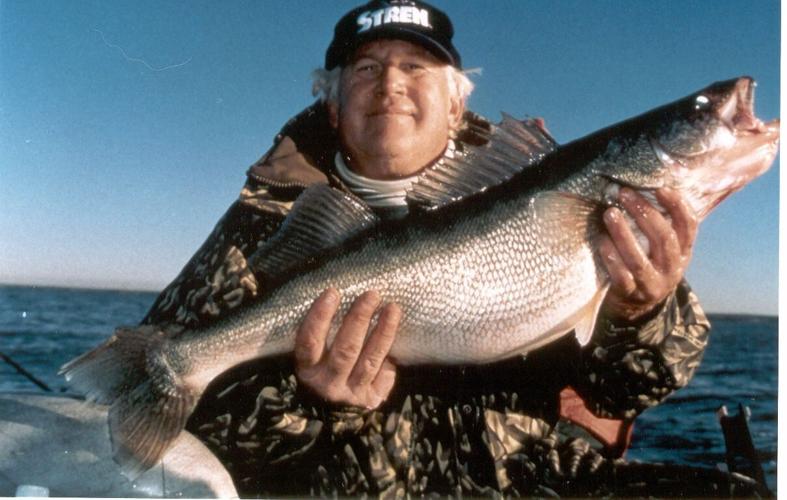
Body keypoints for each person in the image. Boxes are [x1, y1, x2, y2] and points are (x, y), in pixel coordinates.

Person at [141, 1, 740, 496]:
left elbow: (634, 389)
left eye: (417, 66)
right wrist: (312, 400)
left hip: (531, 483)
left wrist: (641, 312)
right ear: (333, 101)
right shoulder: (263, 225)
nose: (392, 84)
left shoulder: (558, 187)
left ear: (456, 102)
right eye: (367, 69)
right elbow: (203, 442)